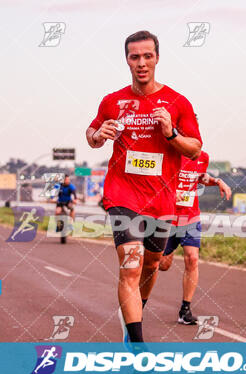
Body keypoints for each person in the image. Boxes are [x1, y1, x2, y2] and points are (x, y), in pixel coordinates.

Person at [86, 30, 202, 346]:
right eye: (134, 56)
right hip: (122, 193)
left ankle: (134, 313)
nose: (141, 62)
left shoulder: (178, 102)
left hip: (162, 198)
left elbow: (194, 149)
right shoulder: (113, 101)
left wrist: (170, 132)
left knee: (151, 264)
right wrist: (98, 135)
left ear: (157, 58)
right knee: (132, 262)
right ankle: (136, 345)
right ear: (127, 59)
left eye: (147, 56)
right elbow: (92, 132)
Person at [157, 151, 231, 324]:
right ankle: (137, 299)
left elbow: (201, 177)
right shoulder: (168, 153)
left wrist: (218, 181)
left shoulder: (202, 156)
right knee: (162, 264)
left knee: (192, 259)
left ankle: (185, 309)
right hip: (166, 218)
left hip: (190, 218)